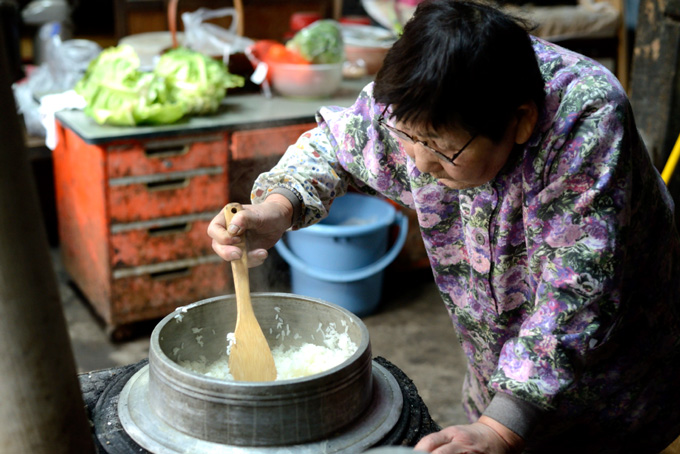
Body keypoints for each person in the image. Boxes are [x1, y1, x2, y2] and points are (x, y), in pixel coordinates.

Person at [207, 1, 680, 452]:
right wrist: (277, 207)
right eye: (407, 139)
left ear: (520, 123)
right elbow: (337, 144)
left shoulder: (586, 122)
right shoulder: (419, 91)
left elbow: (576, 296)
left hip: (613, 387)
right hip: (495, 368)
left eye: (441, 149)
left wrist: (501, 426)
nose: (418, 161)